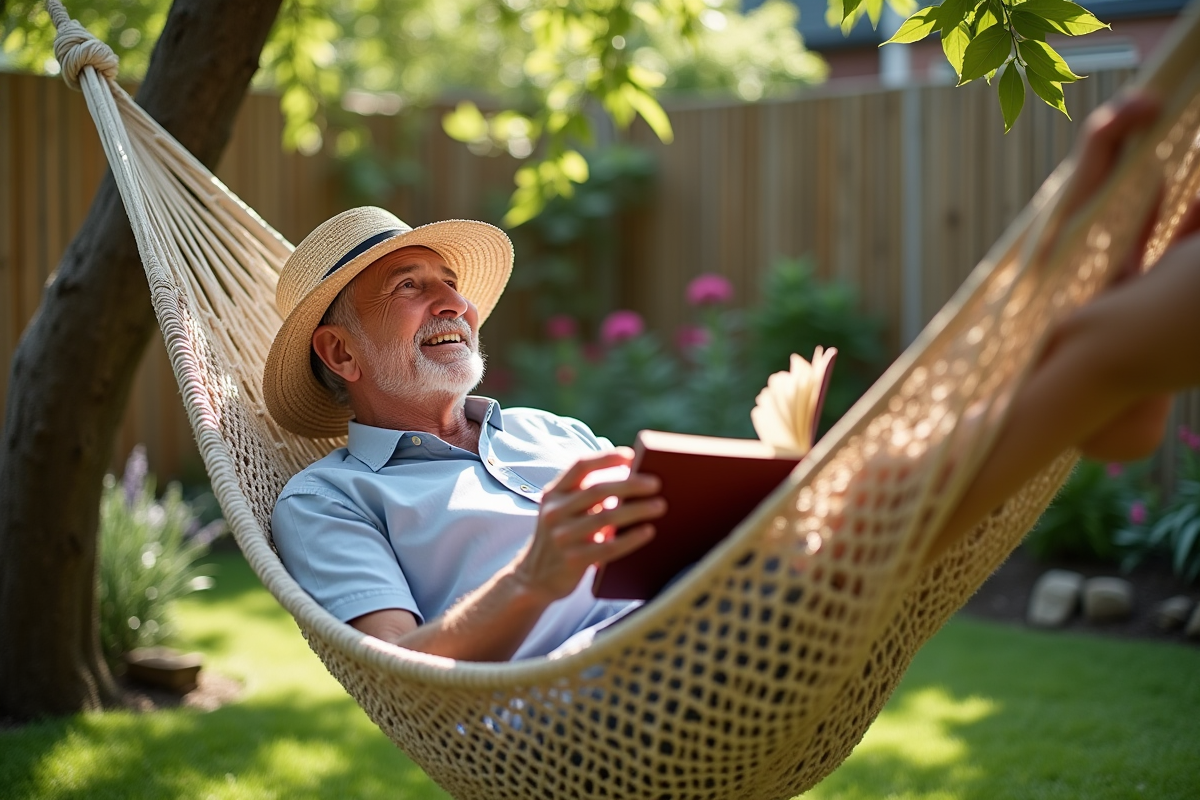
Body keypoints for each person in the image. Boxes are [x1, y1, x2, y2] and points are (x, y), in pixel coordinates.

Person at [265, 92, 1200, 662]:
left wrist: (741, 491)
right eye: (410, 287)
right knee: (867, 507)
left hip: (708, 617)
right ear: (340, 355)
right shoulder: (330, 500)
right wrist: (534, 577)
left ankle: (1085, 356)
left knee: (841, 494)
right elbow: (405, 666)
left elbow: (663, 535)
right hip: (580, 701)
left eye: (451, 283)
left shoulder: (545, 432)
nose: (454, 302)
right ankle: (1083, 342)